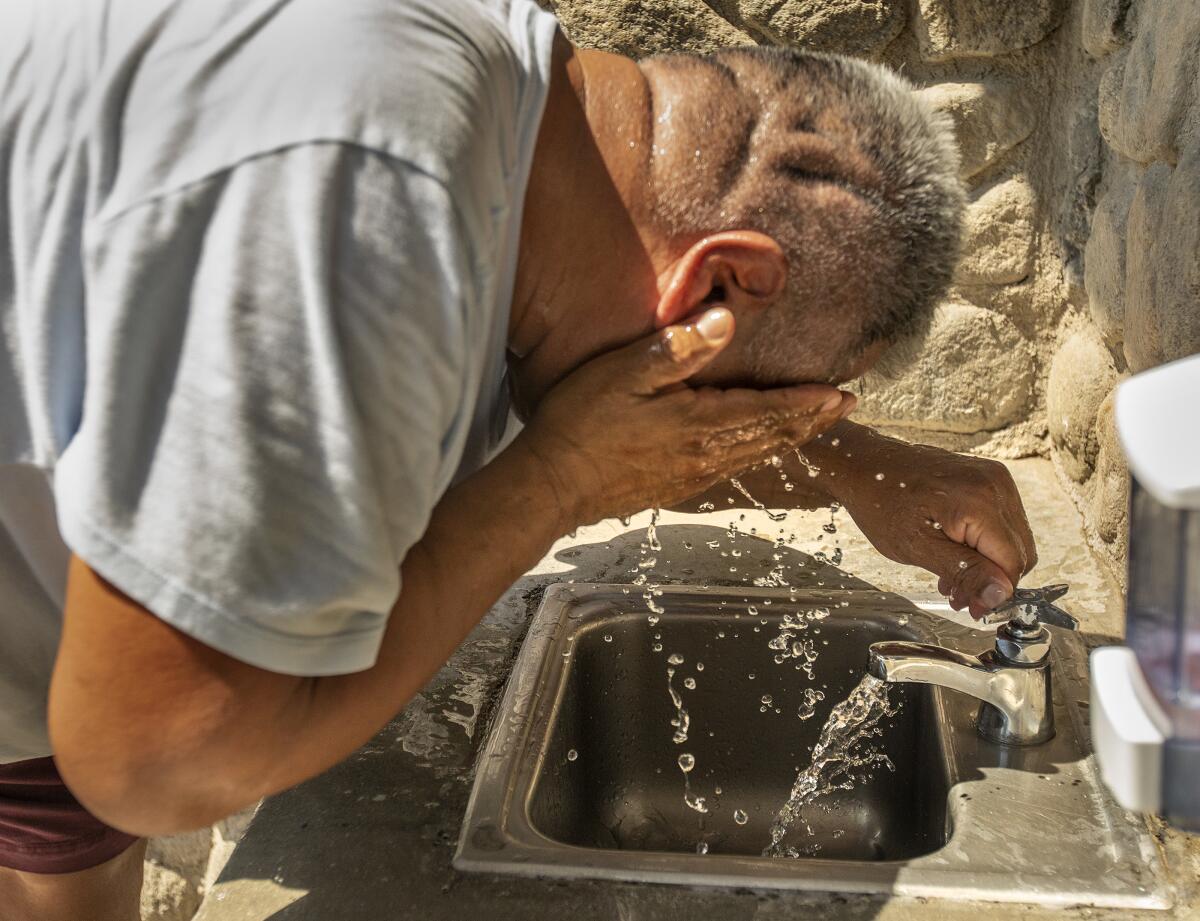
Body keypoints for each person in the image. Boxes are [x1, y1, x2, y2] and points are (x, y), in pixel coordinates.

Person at [0, 0, 1036, 916]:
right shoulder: (362, 216)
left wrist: (861, 467)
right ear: (715, 289)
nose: (725, 437)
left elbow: (621, 422)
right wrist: (556, 484)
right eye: (754, 400)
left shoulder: (510, 139)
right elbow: (163, 757)